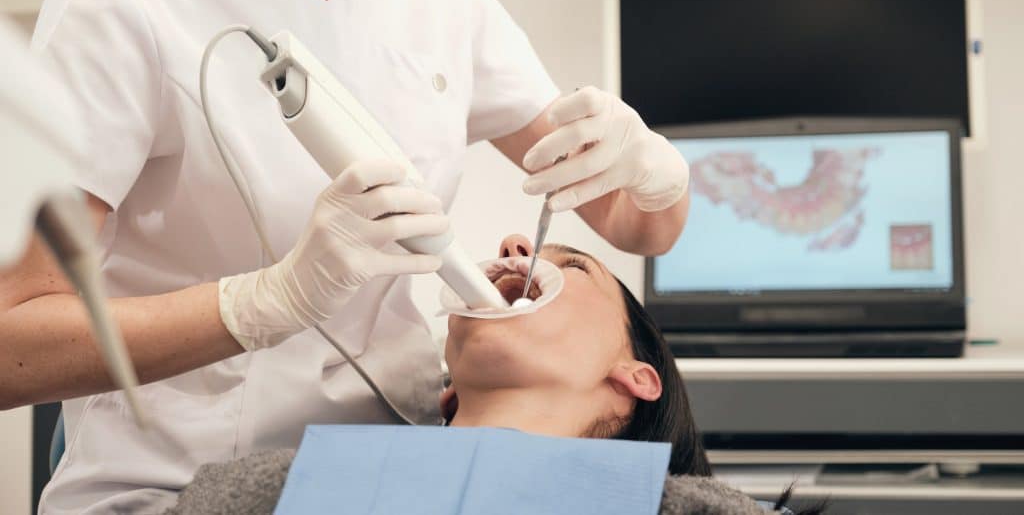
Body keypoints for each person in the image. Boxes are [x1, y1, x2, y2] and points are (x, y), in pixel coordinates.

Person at [0, 0, 692, 512]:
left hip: (399, 470)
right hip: (177, 482)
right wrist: (261, 303)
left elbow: (631, 219)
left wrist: (659, 174)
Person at [165, 237, 826, 514]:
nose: (513, 248)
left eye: (574, 264)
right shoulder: (260, 495)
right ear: (447, 389)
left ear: (636, 377)